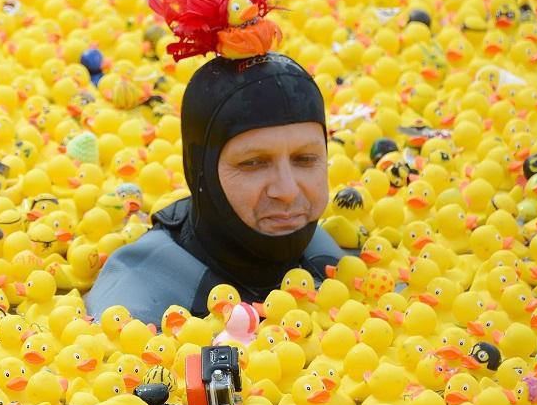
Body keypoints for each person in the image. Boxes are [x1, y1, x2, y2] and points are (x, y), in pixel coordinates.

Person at [85, 51, 345, 324]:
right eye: (254, 163)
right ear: (201, 171)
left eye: (305, 159)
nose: (287, 190)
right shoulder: (135, 303)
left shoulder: (328, 255)